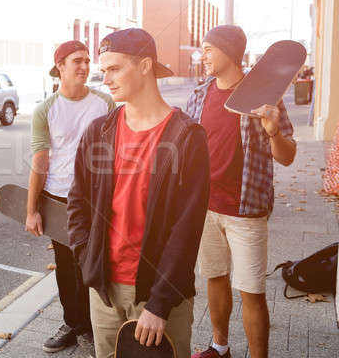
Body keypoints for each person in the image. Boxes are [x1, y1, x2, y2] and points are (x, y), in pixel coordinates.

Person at [67, 28, 211, 358]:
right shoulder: (100, 130)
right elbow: (78, 201)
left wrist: (160, 303)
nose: (106, 80)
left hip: (158, 294)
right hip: (103, 289)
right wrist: (87, 258)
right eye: (104, 71)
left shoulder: (187, 137)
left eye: (115, 69)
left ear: (145, 66)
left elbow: (186, 230)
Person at [187, 25, 296, 358]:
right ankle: (220, 347)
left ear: (229, 52)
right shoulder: (200, 93)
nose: (201, 56)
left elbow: (288, 156)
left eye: (207, 49)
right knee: (215, 278)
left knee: (252, 292)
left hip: (246, 209)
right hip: (205, 206)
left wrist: (274, 133)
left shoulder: (263, 94)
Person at [26, 40, 115, 354]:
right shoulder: (46, 109)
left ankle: (93, 327)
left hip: (96, 201)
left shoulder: (105, 103)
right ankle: (73, 323)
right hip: (59, 198)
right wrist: (32, 209)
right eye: (77, 60)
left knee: (91, 264)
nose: (85, 66)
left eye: (88, 60)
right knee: (65, 266)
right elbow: (40, 161)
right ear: (59, 67)